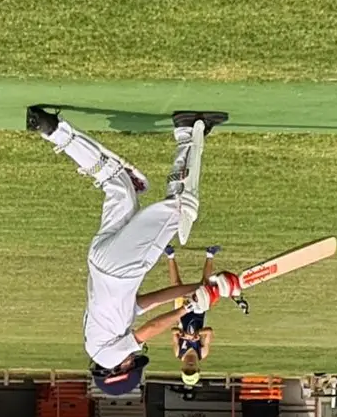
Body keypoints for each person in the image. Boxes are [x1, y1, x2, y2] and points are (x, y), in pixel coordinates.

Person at [25, 105, 237, 395]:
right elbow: (148, 301)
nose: (133, 358)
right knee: (119, 185)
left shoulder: (108, 355)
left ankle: (187, 131)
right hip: (100, 259)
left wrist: (190, 307)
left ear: (116, 371)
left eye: (132, 363)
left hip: (122, 269)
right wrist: (199, 287)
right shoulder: (100, 337)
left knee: (181, 208)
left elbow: (149, 329)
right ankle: (53, 130)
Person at [165, 244, 220, 387]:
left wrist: (183, 334)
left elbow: (173, 331)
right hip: (198, 312)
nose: (190, 366)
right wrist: (197, 333)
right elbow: (209, 332)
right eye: (193, 369)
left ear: (182, 368)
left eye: (187, 369)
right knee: (204, 286)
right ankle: (210, 254)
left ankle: (170, 255)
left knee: (176, 287)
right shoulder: (202, 352)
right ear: (197, 368)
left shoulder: (179, 352)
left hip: (182, 312)